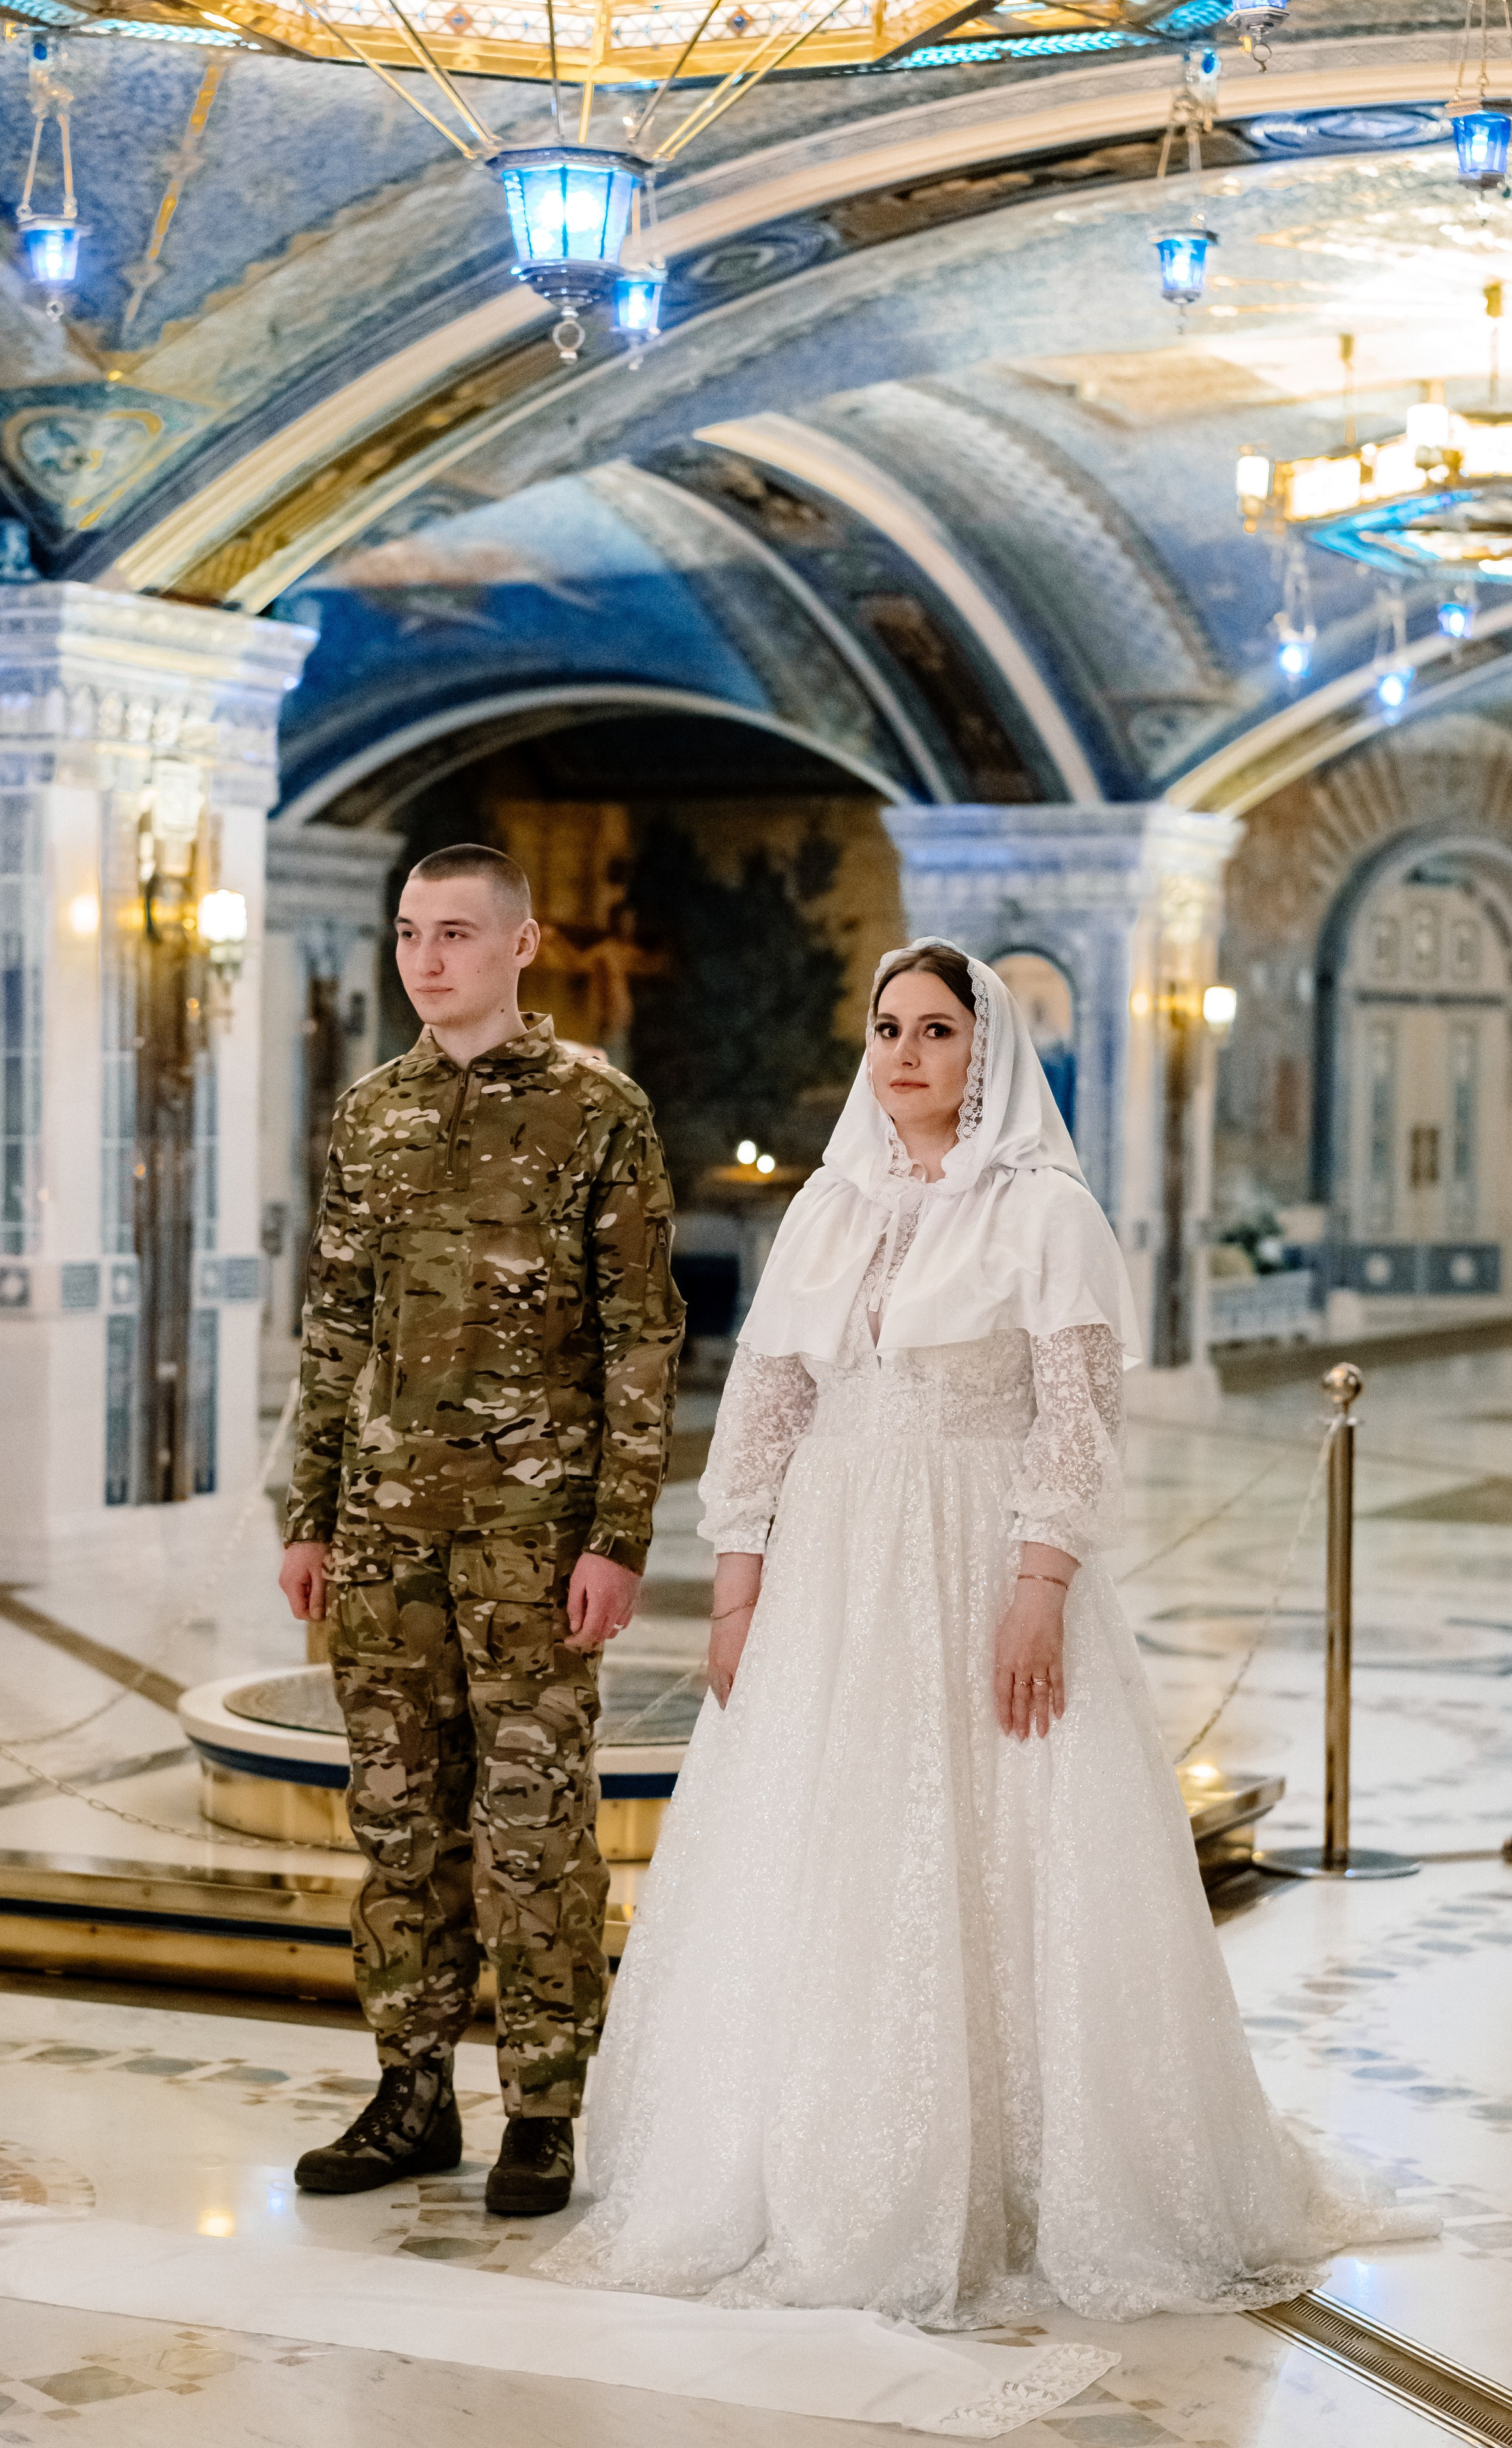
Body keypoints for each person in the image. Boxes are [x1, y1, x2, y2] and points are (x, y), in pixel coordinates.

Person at [542, 938, 1428, 2356]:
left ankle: (1015, 2176)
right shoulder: (829, 1207)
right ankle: (807, 2160)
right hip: (834, 1561)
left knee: (996, 1831)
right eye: (887, 1028)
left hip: (973, 1551)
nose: (902, 1053)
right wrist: (737, 1579)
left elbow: (1077, 1415)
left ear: (985, 1051)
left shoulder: (1042, 1211)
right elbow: (767, 1397)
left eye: (935, 1030)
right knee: (830, 1844)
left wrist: (1037, 1579)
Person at [280, 843, 684, 2216]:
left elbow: (642, 1336)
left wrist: (618, 1531)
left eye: (455, 932)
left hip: (531, 1530)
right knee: (398, 1819)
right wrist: (308, 1509)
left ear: (522, 944)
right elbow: (333, 1322)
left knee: (532, 1821)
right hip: (385, 1530)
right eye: (407, 932)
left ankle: (542, 2107)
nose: (426, 958)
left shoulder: (595, 1112)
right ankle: (407, 2093)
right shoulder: (372, 1113)